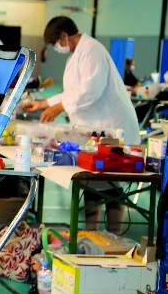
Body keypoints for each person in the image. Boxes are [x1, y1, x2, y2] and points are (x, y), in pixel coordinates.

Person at [21, 16, 140, 234]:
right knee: (93, 185)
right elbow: (72, 93)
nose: (57, 48)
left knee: (113, 185)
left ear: (64, 36)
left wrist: (58, 108)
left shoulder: (92, 50)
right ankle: (91, 235)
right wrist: (43, 103)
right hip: (96, 129)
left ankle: (114, 239)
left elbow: (89, 92)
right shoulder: (76, 56)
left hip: (113, 128)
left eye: (56, 43)